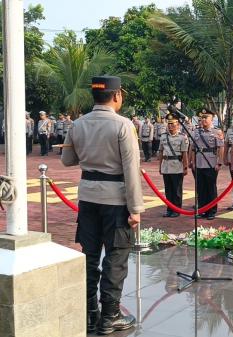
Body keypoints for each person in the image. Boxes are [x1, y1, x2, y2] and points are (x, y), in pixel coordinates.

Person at [61, 76, 142, 334]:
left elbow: (67, 160)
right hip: (116, 199)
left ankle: (88, 313)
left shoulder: (77, 124)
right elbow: (131, 169)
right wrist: (136, 208)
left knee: (90, 255)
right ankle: (110, 316)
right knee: (116, 258)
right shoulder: (123, 125)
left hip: (87, 196)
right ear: (116, 95)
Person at [191, 108, 224, 220]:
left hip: (211, 163)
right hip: (199, 163)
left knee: (211, 188)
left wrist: (219, 162)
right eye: (202, 118)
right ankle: (202, 210)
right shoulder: (196, 132)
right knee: (200, 188)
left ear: (212, 119)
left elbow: (220, 148)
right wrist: (193, 162)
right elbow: (193, 149)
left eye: (206, 117)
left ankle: (211, 211)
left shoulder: (217, 132)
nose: (203, 120)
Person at [158, 113, 189, 217]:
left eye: (173, 123)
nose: (170, 126)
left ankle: (177, 209)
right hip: (166, 166)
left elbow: (184, 153)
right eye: (169, 124)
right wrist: (160, 166)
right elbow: (161, 152)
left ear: (178, 125)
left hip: (177, 166)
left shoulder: (182, 137)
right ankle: (169, 209)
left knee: (176, 190)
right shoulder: (163, 137)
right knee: (168, 190)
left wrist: (185, 167)